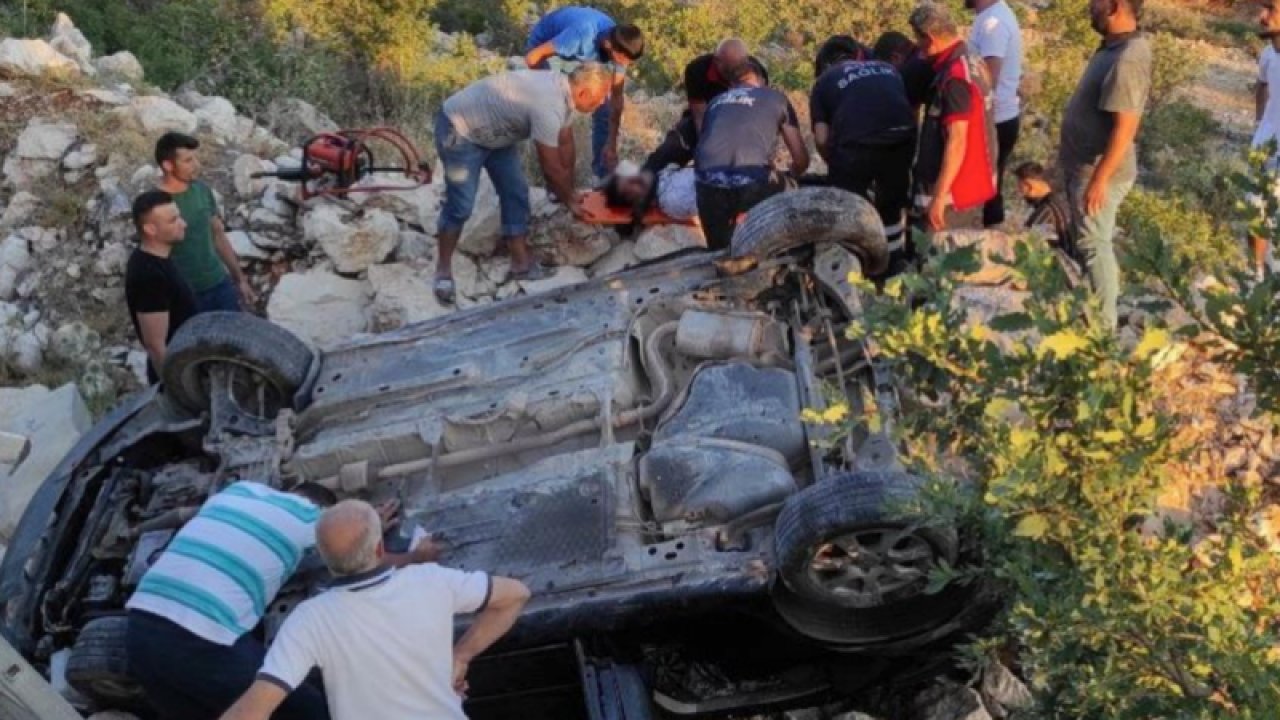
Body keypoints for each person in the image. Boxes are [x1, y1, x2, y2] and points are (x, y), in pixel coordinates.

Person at [219, 500, 532, 720]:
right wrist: (460, 656)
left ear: (327, 562)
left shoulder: (309, 620)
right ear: (381, 549)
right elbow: (515, 595)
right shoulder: (431, 581)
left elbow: (253, 709)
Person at [433, 64, 613, 304]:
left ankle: (521, 263)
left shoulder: (565, 93)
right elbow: (548, 165)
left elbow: (566, 144)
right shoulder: (548, 105)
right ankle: (443, 269)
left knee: (516, 192)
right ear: (583, 94)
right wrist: (569, 200)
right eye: (600, 98)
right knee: (461, 205)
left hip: (495, 133)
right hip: (460, 129)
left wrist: (570, 191)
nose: (602, 103)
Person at [1059, 0, 1151, 330]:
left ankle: (1102, 333)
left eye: (1096, 2)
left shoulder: (1127, 59)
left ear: (1113, 6)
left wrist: (1100, 179)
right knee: (1088, 242)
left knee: (1094, 245)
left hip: (1099, 174)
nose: (1088, 6)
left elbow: (1125, 127)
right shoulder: (1114, 48)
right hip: (1087, 169)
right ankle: (1092, 314)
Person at [810, 34, 917, 267]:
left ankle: (853, 268)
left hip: (856, 145)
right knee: (891, 206)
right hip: (902, 137)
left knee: (848, 209)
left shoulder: (824, 82)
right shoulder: (887, 68)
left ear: (825, 64)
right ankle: (893, 266)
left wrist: (836, 165)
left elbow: (821, 138)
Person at [694, 55, 809, 250]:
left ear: (731, 86)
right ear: (761, 81)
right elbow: (801, 158)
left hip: (706, 181)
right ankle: (790, 252)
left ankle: (722, 259)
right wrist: (792, 173)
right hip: (752, 181)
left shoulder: (715, 102)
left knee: (719, 251)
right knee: (791, 190)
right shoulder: (776, 98)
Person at [525, 6, 645, 177]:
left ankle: (603, 176)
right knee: (557, 111)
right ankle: (557, 180)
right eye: (624, 60)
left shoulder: (620, 47)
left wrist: (611, 145)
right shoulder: (582, 34)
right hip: (545, 49)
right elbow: (533, 57)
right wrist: (547, 91)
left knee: (605, 108)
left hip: (577, 57)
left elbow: (616, 100)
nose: (625, 65)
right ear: (608, 45)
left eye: (629, 62)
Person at [909, 3, 998, 233]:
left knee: (935, 261)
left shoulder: (955, 77)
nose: (918, 49)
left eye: (919, 41)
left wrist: (938, 197)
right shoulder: (974, 60)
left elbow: (957, 140)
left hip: (952, 196)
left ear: (929, 38)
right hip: (973, 186)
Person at [154, 133, 256, 312]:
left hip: (220, 284)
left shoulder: (202, 190)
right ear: (168, 165)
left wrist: (240, 279)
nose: (197, 165)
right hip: (185, 294)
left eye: (195, 158)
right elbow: (153, 258)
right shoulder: (155, 204)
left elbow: (218, 235)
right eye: (188, 161)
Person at [642, 41, 771, 174]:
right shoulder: (697, 70)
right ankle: (640, 182)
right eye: (730, 70)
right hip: (708, 120)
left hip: (742, 123)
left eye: (740, 68)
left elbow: (760, 114)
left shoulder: (756, 71)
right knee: (670, 148)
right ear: (717, 61)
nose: (736, 74)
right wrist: (706, 151)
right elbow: (700, 117)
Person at [126, 190, 198, 385]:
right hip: (177, 375)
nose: (183, 224)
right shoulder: (149, 276)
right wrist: (179, 389)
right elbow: (156, 345)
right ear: (151, 229)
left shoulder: (161, 258)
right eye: (172, 220)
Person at [967, 0, 1024, 229]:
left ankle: (986, 246)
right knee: (990, 188)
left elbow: (989, 78)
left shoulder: (994, 23)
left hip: (994, 120)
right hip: (998, 117)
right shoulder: (991, 17)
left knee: (986, 191)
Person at [1249, 0, 1280, 277]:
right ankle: (1256, 275)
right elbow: (1262, 86)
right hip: (1265, 148)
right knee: (1255, 212)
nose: (1262, 16)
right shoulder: (1269, 53)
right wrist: (1259, 126)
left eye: (1271, 9)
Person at [603, 164, 699, 222]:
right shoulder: (675, 198)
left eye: (629, 177)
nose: (636, 178)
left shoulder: (660, 177)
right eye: (629, 189)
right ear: (637, 202)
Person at [1014, 161, 1074, 250]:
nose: (1019, 190)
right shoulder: (1058, 202)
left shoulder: (1046, 211)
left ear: (1029, 185)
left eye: (1020, 187)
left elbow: (1029, 244)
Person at [874, 31, 934, 111]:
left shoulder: (908, 72)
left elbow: (909, 113)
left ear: (895, 58)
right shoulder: (923, 53)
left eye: (885, 67)